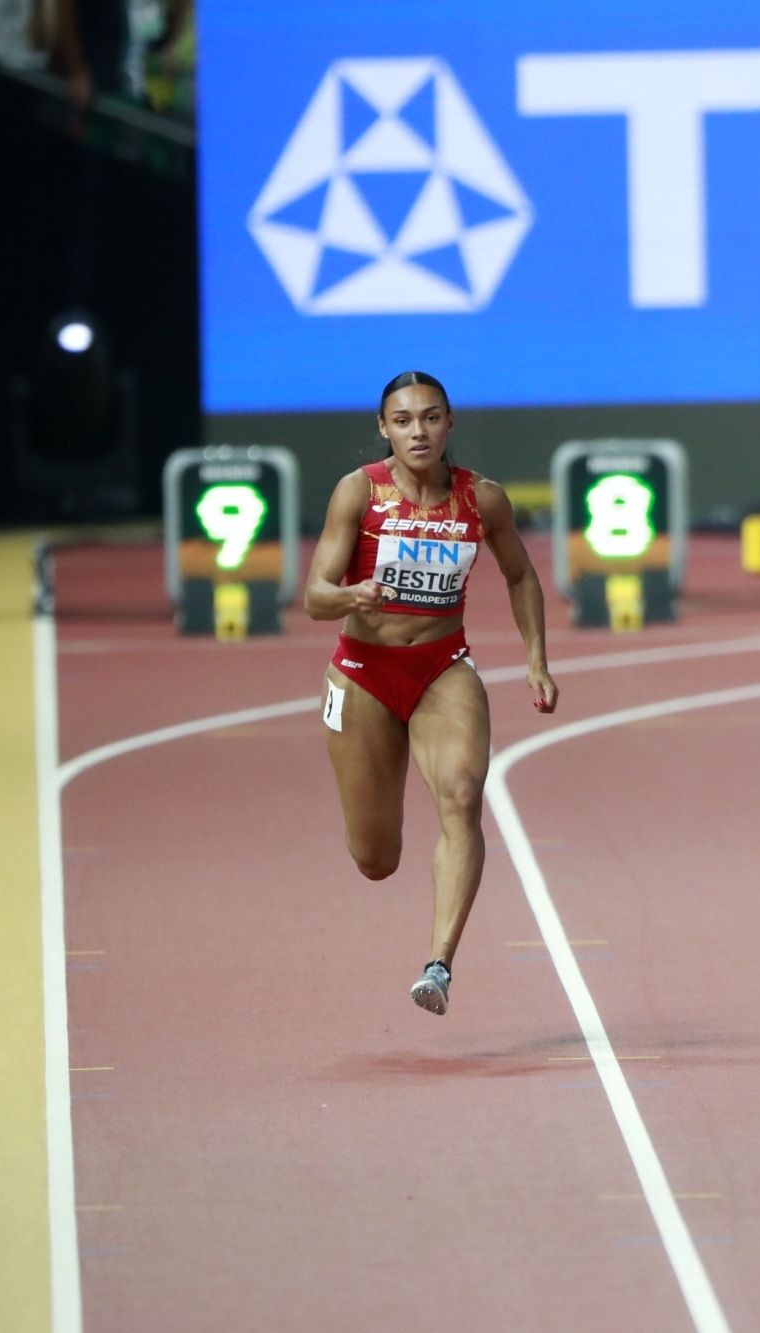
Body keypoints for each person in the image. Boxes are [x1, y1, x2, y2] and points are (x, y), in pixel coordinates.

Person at [304, 371, 558, 1016]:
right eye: (403, 420)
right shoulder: (358, 491)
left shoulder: (482, 498)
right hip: (362, 673)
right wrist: (351, 595)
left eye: (431, 417)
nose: (418, 431)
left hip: (442, 668)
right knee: (376, 859)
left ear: (450, 423)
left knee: (463, 798)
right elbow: (314, 597)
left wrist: (535, 659)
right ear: (384, 428)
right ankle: (378, 829)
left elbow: (521, 575)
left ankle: (438, 966)